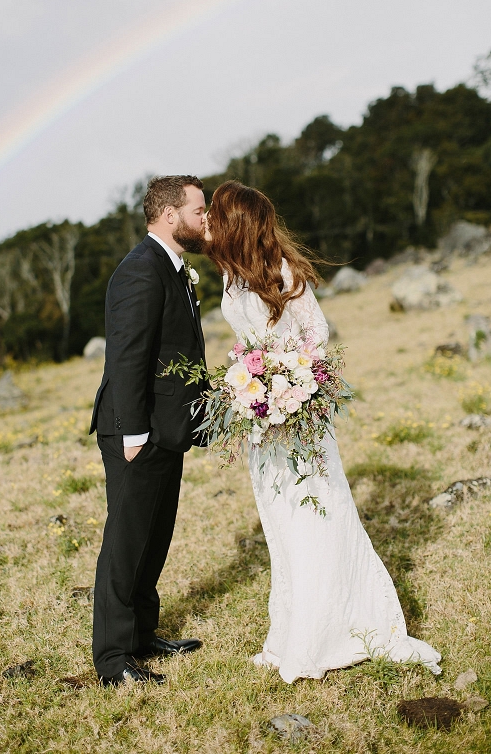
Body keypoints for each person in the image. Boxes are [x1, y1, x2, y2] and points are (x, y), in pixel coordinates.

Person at [204, 180, 441, 684]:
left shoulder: (282, 272)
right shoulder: (230, 276)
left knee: (315, 514)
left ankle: (324, 635)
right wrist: (252, 384)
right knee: (282, 522)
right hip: (261, 416)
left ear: (235, 223)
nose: (207, 222)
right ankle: (289, 634)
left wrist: (290, 377)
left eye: (216, 214)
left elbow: (318, 335)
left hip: (295, 415)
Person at [90, 175, 207, 686]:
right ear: (167, 214)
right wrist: (134, 434)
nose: (207, 219)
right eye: (199, 211)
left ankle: (141, 635)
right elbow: (129, 357)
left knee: (154, 537)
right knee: (126, 541)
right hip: (136, 432)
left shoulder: (174, 267)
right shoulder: (140, 271)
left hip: (166, 428)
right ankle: (114, 660)